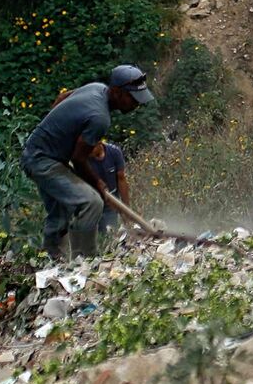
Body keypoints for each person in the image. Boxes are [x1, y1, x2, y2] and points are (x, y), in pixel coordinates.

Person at [19, 65, 153, 260]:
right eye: (132, 99)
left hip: (41, 152)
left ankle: (50, 257)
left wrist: (56, 128)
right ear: (116, 92)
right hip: (42, 160)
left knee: (61, 211)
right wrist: (97, 183)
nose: (136, 104)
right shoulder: (100, 118)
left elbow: (63, 97)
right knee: (91, 202)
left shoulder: (96, 88)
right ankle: (87, 260)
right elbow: (78, 159)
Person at [88, 139, 130, 241]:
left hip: (110, 205)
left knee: (110, 236)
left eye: (91, 148)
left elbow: (121, 179)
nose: (88, 152)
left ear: (99, 143)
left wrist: (125, 209)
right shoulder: (82, 158)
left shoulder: (114, 152)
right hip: (90, 204)